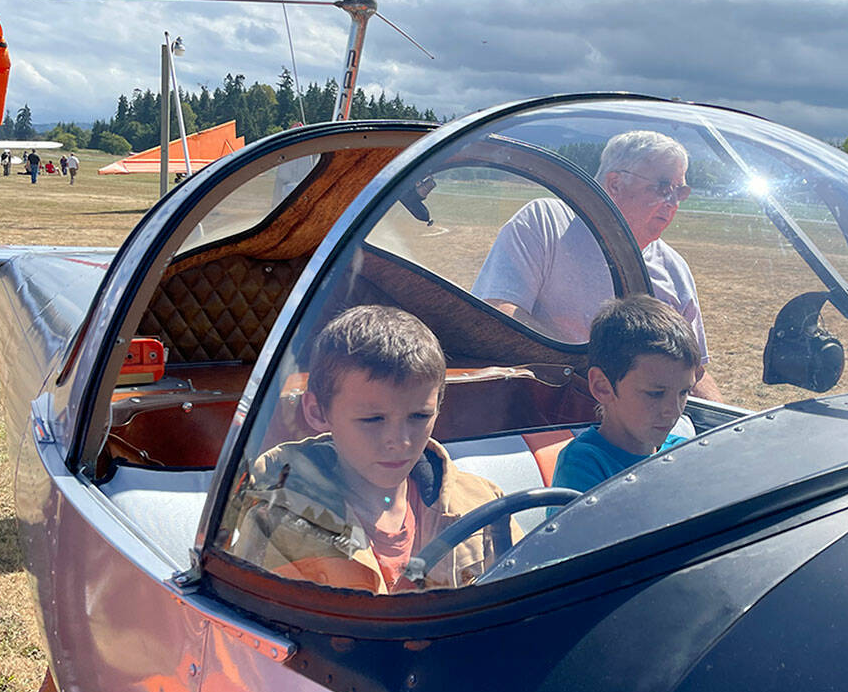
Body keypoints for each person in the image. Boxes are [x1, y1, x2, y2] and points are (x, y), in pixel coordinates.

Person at [232, 305, 517, 593]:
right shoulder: (277, 524)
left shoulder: (482, 503)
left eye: (419, 416)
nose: (401, 441)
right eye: (372, 419)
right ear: (317, 412)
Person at [472, 129, 722, 400]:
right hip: (540, 409)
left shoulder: (675, 270)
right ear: (614, 184)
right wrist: (594, 372)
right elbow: (498, 311)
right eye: (663, 188)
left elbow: (693, 369)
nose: (673, 203)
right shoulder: (546, 223)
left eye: (680, 192)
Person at [550, 296, 698, 494]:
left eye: (684, 392)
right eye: (655, 393)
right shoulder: (583, 463)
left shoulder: (683, 451)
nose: (673, 411)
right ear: (602, 387)